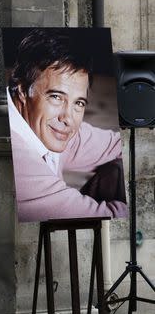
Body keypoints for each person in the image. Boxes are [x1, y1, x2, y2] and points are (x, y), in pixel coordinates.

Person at [7, 28, 128, 222]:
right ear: (22, 91)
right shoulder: (19, 162)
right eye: (56, 97)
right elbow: (104, 218)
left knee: (117, 171)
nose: (68, 119)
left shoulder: (45, 125)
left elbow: (117, 145)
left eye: (78, 103)